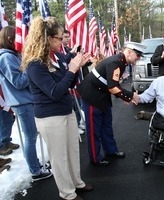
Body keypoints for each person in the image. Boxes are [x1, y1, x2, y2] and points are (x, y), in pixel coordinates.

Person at [22, 16, 92, 200]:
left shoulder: (58, 56)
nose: (63, 42)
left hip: (66, 110)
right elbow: (54, 91)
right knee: (59, 157)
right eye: (60, 38)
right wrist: (71, 69)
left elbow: (69, 84)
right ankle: (67, 193)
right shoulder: (35, 65)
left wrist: (77, 68)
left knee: (72, 150)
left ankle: (76, 182)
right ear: (47, 38)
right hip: (49, 117)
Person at [77, 42, 143, 166]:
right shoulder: (117, 62)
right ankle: (95, 158)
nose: (138, 58)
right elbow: (113, 87)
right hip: (92, 95)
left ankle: (111, 151)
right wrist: (130, 96)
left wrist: (123, 96)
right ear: (129, 52)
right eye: (137, 55)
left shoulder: (121, 61)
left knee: (106, 125)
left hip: (102, 94)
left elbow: (112, 85)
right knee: (94, 130)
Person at [0, 26, 52, 182]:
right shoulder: (5, 57)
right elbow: (18, 82)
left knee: (32, 136)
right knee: (30, 138)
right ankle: (35, 171)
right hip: (22, 102)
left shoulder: (12, 55)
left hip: (27, 100)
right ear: (10, 39)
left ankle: (36, 165)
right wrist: (30, 68)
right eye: (18, 37)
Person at [0, 85, 16, 156]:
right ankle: (1, 147)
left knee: (7, 121)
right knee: (2, 122)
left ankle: (6, 142)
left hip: (4, 98)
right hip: (2, 101)